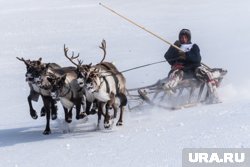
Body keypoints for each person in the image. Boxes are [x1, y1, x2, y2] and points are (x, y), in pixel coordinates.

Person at [163, 29, 220, 103]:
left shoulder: (194, 46)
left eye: (185, 37)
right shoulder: (177, 47)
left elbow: (197, 59)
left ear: (188, 38)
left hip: (194, 68)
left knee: (205, 73)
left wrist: (186, 55)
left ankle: (214, 96)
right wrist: (172, 48)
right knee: (175, 74)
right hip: (182, 70)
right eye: (181, 38)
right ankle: (171, 94)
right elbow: (167, 56)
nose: (183, 39)